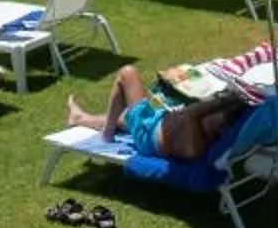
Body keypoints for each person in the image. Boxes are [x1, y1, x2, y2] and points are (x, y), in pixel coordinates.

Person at [63, 65, 250, 163]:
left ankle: (107, 132)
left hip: (148, 134)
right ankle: (80, 118)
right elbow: (197, 111)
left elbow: (190, 114)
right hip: (160, 123)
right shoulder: (205, 127)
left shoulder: (197, 142)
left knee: (127, 74)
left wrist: (222, 100)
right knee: (124, 116)